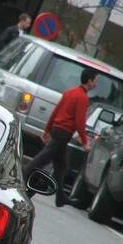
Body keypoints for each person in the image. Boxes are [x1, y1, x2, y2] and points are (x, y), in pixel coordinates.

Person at [23, 68, 99, 207]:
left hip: (57, 130)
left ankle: (60, 197)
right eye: (95, 80)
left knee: (61, 167)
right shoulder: (82, 97)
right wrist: (85, 141)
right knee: (41, 160)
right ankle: (22, 178)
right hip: (64, 133)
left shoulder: (69, 92)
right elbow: (79, 121)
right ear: (89, 80)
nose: (96, 83)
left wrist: (47, 129)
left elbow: (56, 111)